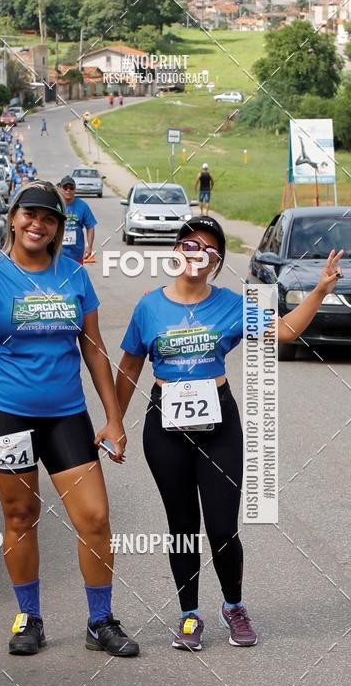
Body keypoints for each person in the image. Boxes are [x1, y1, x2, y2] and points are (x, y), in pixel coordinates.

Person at [0, 181, 139, 658]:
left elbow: (94, 350)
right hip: (3, 412)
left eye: (49, 218)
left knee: (95, 518)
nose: (38, 224)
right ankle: (28, 618)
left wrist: (113, 418)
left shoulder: (73, 275)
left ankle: (101, 621)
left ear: (58, 228)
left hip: (66, 415)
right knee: (20, 515)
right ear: (13, 219)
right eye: (29, 215)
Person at [116, 215, 343, 652]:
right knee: (181, 525)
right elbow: (129, 367)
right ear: (176, 251)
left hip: (219, 425)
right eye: (189, 244)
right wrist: (114, 422)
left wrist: (318, 291)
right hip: (165, 426)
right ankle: (188, 615)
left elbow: (284, 331)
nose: (197, 252)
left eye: (208, 247)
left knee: (222, 527)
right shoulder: (149, 306)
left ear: (217, 260)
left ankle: (234, 606)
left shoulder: (232, 304)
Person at [58, 175, 97, 265]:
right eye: (65, 187)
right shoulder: (56, 204)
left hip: (76, 253)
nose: (68, 190)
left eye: (71, 188)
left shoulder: (82, 206)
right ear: (60, 189)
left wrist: (89, 246)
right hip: (57, 253)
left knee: (76, 276)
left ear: (75, 190)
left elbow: (90, 226)